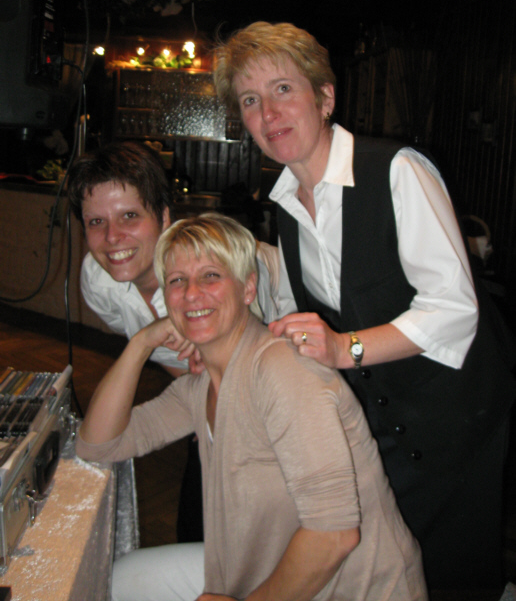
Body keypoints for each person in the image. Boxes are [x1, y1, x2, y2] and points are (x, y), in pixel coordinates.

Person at [213, 21, 516, 591]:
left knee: (453, 569)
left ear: (325, 98)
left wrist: (342, 349)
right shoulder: (285, 206)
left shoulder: (396, 170)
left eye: (283, 89)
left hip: (456, 411)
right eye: (250, 100)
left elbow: (454, 308)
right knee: (395, 561)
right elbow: (306, 309)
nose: (268, 113)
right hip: (384, 415)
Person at [75, 212, 428, 601]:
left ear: (248, 289)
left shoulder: (281, 369)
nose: (191, 293)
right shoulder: (201, 386)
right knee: (124, 580)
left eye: (211, 275)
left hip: (353, 588)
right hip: (265, 567)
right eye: (176, 281)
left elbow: (335, 536)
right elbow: (98, 445)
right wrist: (142, 343)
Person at [67, 140, 280, 543]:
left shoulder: (214, 277)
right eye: (96, 221)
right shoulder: (100, 283)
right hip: (215, 402)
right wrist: (182, 369)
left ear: (164, 217)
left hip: (282, 399)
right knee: (198, 532)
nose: (112, 237)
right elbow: (170, 356)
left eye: (130, 215)